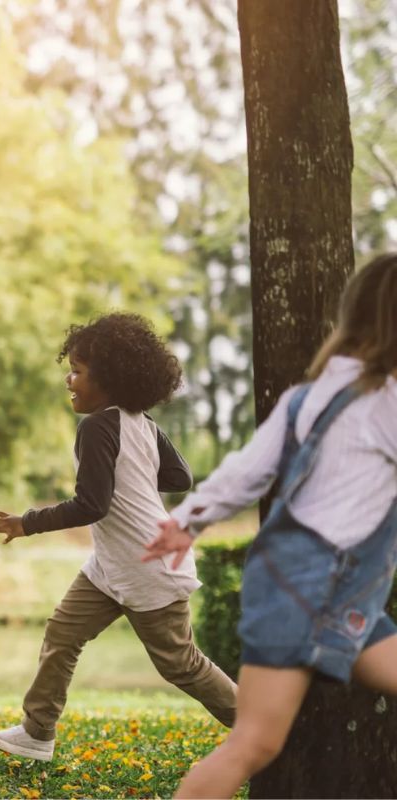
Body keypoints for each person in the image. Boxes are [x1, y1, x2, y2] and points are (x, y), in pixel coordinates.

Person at [144, 253, 397, 798]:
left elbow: (246, 470)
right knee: (253, 744)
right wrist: (186, 520)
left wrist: (188, 519)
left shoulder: (309, 397)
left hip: (321, 592)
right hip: (312, 591)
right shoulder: (384, 402)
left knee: (252, 742)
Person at [0, 312, 236, 761]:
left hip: (147, 564)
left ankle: (266, 728)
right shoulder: (142, 423)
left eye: (77, 371)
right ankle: (37, 732)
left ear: (110, 378)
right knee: (62, 633)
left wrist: (27, 522)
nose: (69, 380)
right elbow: (179, 476)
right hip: (112, 565)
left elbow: (91, 504)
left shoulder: (97, 426)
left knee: (181, 664)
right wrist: (133, 479)